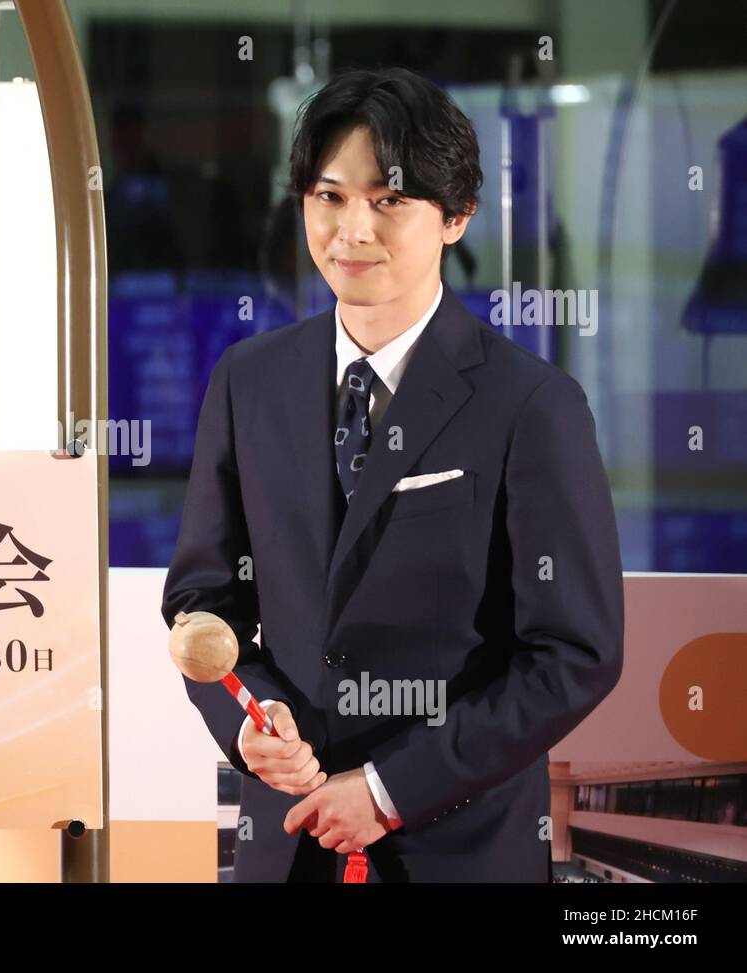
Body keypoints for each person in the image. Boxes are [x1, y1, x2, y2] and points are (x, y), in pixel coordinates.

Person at [161, 66, 624, 882]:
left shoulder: (532, 403)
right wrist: (249, 720)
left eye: (389, 200)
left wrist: (386, 789)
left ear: (457, 214)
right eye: (330, 196)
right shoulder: (248, 380)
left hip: (460, 850)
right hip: (288, 840)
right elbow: (204, 600)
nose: (352, 230)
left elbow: (575, 652)